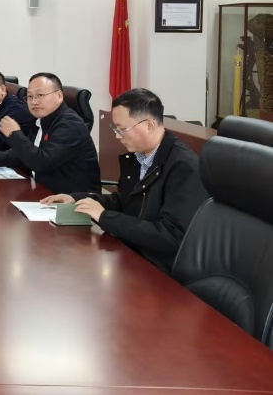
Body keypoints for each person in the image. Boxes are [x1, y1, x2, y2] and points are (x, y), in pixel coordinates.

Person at [41, 88, 208, 274]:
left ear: (149, 125)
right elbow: (125, 202)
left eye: (122, 129)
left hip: (160, 269)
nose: (117, 136)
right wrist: (78, 199)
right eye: (116, 129)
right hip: (132, 252)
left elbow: (171, 236)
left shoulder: (184, 167)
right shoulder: (139, 156)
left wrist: (105, 217)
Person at [0, 72, 100, 194]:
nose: (34, 102)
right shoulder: (40, 120)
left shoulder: (70, 125)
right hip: (43, 193)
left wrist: (14, 134)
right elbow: (25, 153)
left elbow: (41, 162)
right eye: (30, 96)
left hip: (73, 201)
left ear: (59, 96)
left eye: (40, 95)